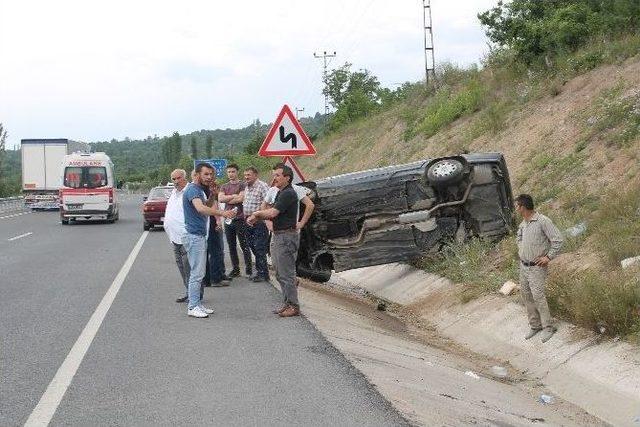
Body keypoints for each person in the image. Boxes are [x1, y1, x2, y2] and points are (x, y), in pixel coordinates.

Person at [248, 165, 313, 317]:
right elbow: (270, 210)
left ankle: (293, 306)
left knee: (287, 273)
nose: (274, 178)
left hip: (286, 237)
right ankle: (287, 303)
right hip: (279, 235)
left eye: (277, 175)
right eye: (274, 175)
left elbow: (273, 212)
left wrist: (256, 214)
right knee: (279, 272)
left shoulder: (288, 193)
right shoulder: (280, 192)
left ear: (287, 178)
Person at [182, 163, 235, 318]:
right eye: (206, 174)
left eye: (211, 174)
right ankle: (192, 307)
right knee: (197, 274)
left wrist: (212, 194)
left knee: (199, 273)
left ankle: (197, 304)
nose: (210, 177)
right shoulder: (192, 189)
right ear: (197, 174)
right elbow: (200, 209)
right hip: (194, 236)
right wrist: (223, 213)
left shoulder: (200, 190)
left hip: (199, 235)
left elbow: (206, 205)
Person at [515, 194, 563, 342]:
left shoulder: (542, 221)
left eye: (517, 206)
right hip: (524, 266)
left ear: (523, 207)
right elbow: (519, 239)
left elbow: (558, 240)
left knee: (538, 296)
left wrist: (548, 257)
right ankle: (535, 325)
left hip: (537, 267)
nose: (516, 209)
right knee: (526, 295)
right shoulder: (523, 224)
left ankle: (548, 327)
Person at [233, 167, 270, 282]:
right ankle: (261, 270)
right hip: (248, 221)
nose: (246, 177)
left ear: (255, 175)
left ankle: (263, 274)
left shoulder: (262, 186)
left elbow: (268, 203)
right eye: (245, 175)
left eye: (249, 175)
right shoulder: (246, 187)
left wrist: (257, 215)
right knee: (252, 245)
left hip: (259, 221)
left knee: (259, 247)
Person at [218, 163, 252, 277]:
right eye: (229, 172)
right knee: (231, 245)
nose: (231, 174)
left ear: (237, 172)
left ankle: (249, 268)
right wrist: (233, 196)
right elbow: (220, 198)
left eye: (233, 171)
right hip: (228, 219)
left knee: (244, 244)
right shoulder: (224, 186)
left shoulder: (243, 184)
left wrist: (228, 199)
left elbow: (241, 198)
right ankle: (235, 269)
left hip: (240, 218)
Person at [164, 169, 192, 303]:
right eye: (173, 179)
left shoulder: (190, 191)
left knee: (190, 268)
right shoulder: (174, 192)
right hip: (174, 237)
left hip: (186, 237)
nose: (176, 181)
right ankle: (189, 292)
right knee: (181, 267)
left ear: (184, 178)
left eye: (178, 178)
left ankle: (195, 295)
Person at [202, 176, 232, 287]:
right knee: (216, 251)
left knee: (212, 251)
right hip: (212, 222)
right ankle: (216, 278)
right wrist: (218, 221)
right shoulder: (208, 194)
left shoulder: (204, 192)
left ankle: (210, 278)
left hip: (209, 222)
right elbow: (213, 209)